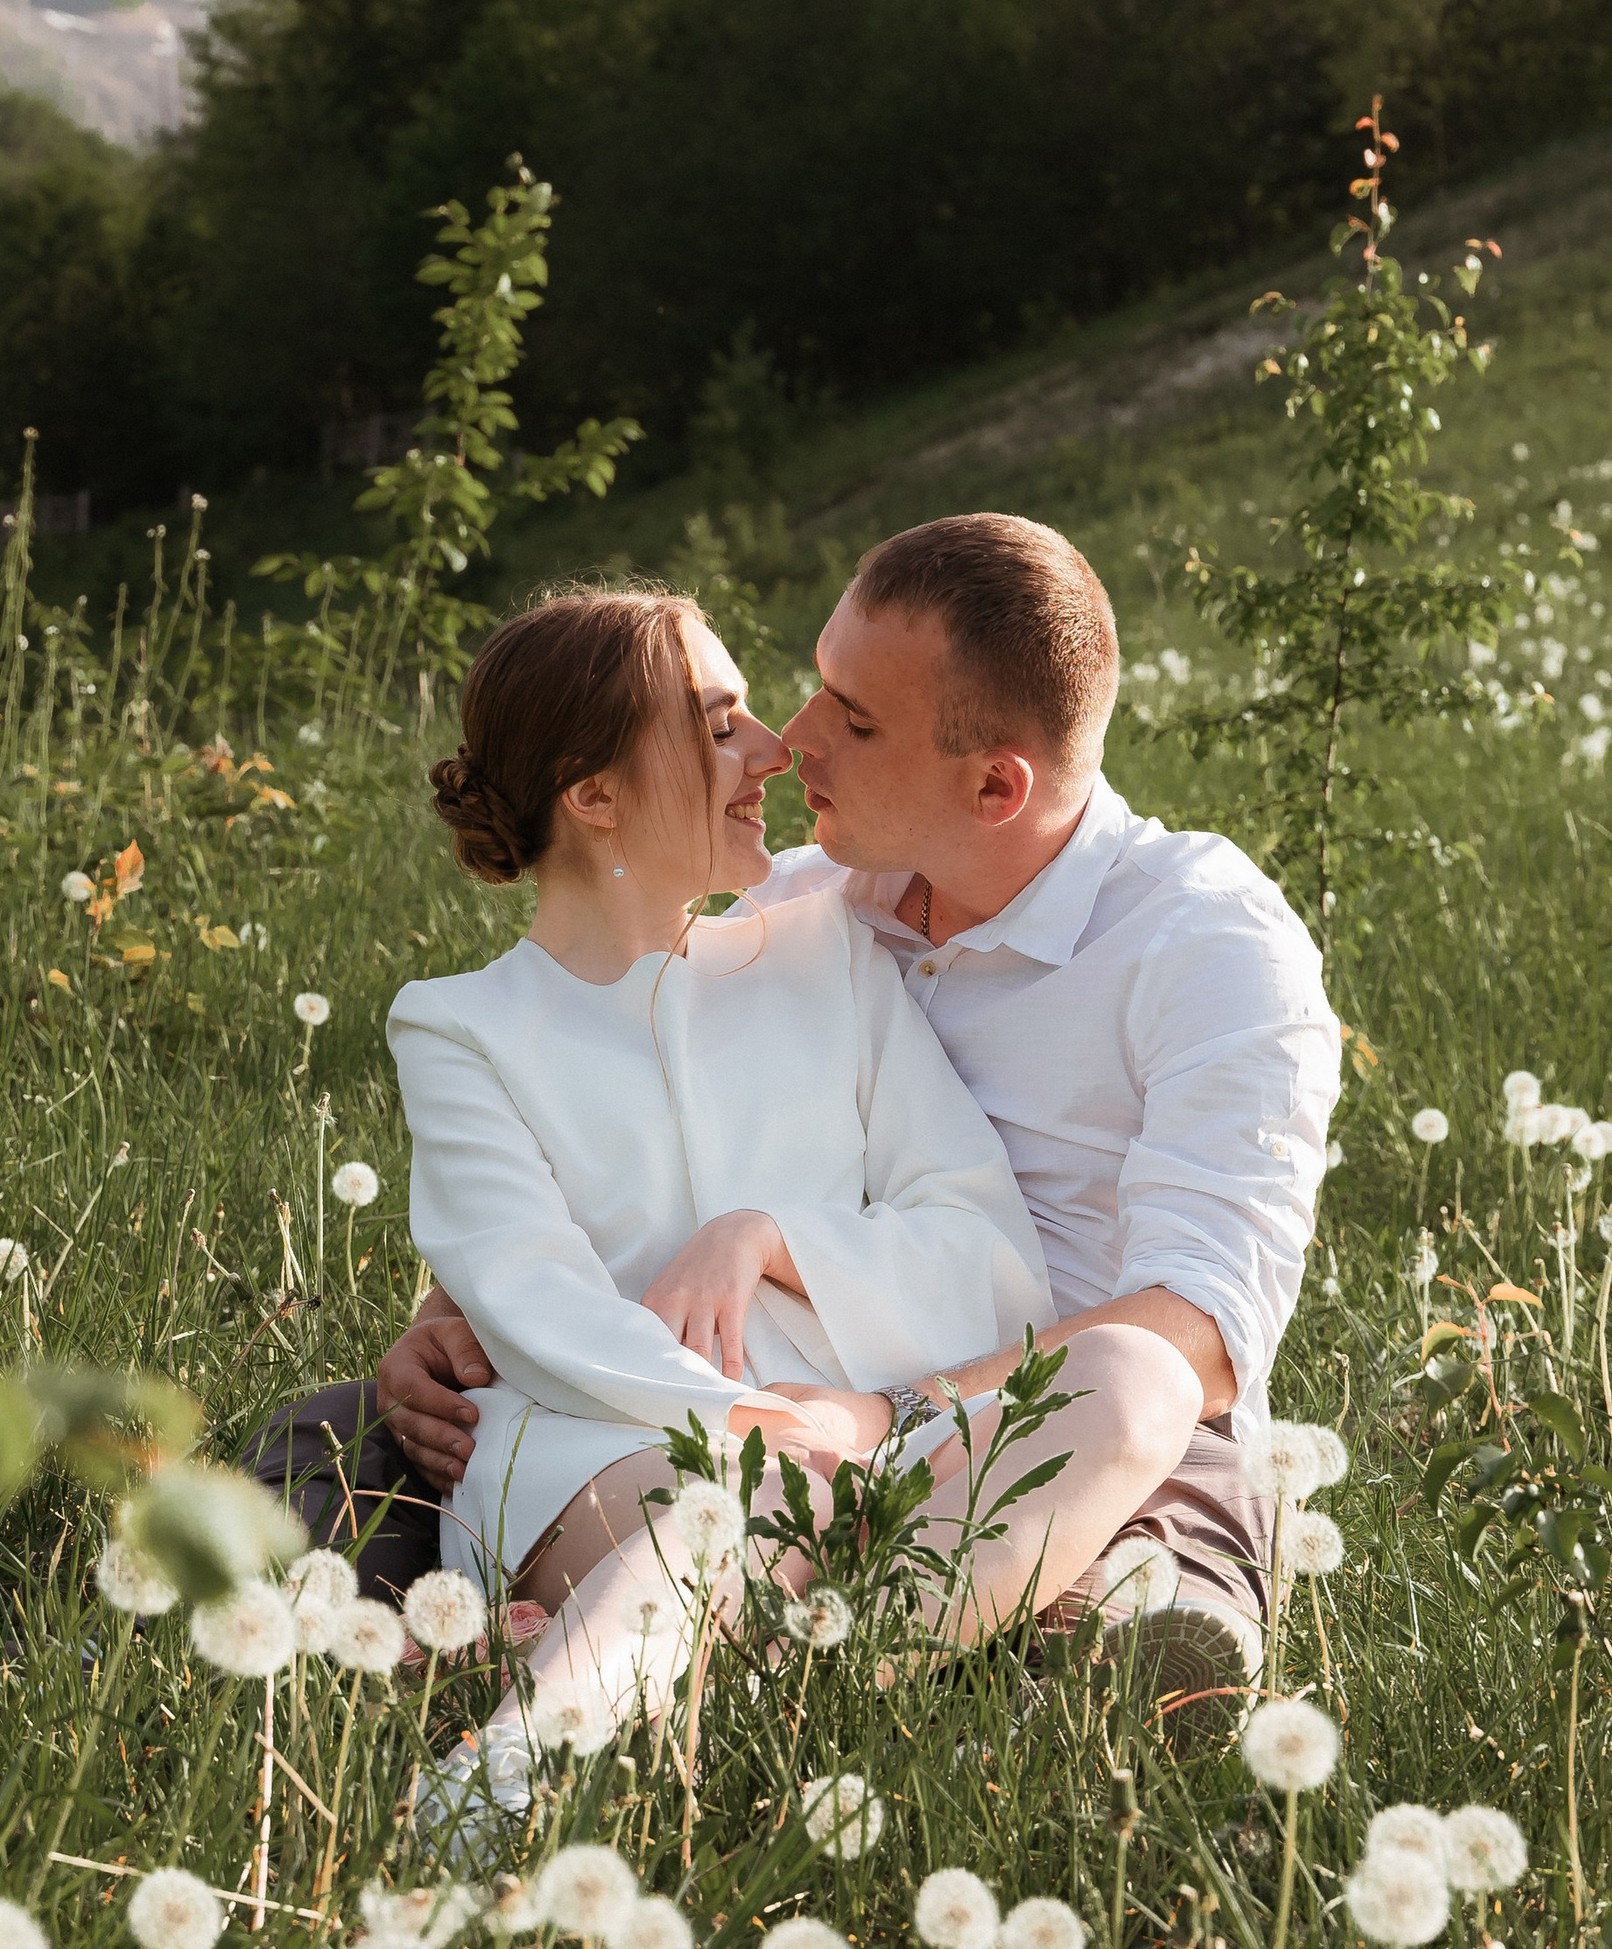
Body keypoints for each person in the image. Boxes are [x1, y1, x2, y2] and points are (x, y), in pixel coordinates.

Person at [327, 510, 1342, 1713]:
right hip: (741, 1401)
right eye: (806, 691)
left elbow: (1201, 1332)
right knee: (332, 1439)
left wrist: (874, 1405)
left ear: (994, 785)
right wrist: (454, 1309)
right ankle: (566, 1652)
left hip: (1046, 1409)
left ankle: (1070, 1646)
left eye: (851, 720)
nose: (789, 741)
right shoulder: (809, 905)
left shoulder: (1205, 941)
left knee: (1139, 1488)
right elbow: (586, 1115)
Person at [294, 581, 1072, 1841]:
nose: (774, 750)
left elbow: (991, 1255)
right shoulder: (461, 1027)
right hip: (583, 1448)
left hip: (848, 1446)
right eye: (718, 727)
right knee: (728, 1509)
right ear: (592, 795)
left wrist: (774, 1237)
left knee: (781, 1519)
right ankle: (497, 1787)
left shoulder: (829, 958)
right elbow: (528, 1294)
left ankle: (531, 1727)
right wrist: (753, 1425)